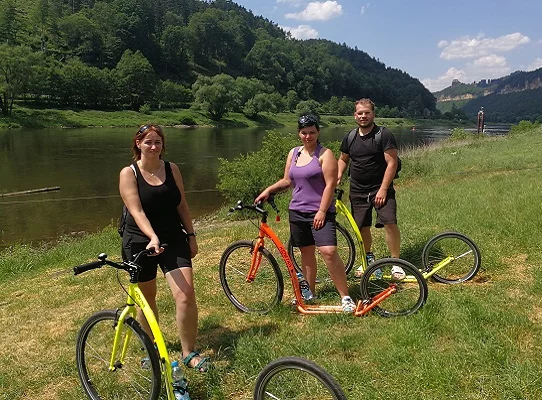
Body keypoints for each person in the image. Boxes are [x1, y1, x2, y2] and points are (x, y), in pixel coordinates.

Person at [119, 124, 210, 375]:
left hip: (172, 237)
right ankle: (152, 351)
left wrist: (191, 236)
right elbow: (136, 210)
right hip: (139, 241)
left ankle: (189, 352)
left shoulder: (171, 169)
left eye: (157, 142)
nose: (153, 146)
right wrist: (151, 236)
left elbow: (182, 205)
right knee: (147, 299)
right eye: (148, 142)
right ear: (138, 144)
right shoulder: (129, 173)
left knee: (186, 294)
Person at [255, 115, 356, 313]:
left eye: (311, 132)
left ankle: (345, 296)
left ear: (318, 132)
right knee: (306, 253)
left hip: (320, 212)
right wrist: (269, 190)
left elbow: (330, 185)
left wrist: (321, 211)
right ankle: (309, 292)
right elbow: (287, 181)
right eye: (304, 132)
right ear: (298, 133)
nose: (307, 136)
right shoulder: (294, 153)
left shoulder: (325, 154)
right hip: (297, 211)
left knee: (328, 252)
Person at [337, 99, 402, 278]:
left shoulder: (384, 134)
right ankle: (368, 260)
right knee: (362, 227)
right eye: (360, 113)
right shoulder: (350, 137)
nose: (363, 116)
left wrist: (383, 189)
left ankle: (396, 263)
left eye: (367, 112)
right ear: (355, 115)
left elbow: (392, 163)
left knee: (389, 223)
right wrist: (339, 174)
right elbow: (343, 159)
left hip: (381, 188)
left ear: (373, 114)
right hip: (357, 190)